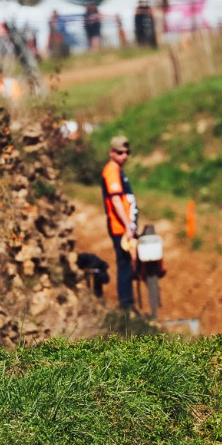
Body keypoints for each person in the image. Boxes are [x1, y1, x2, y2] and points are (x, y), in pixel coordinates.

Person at [99, 134, 138, 314]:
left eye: (127, 152)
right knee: (124, 264)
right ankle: (126, 305)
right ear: (112, 153)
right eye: (120, 152)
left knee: (129, 263)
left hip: (125, 226)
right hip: (119, 227)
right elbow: (115, 201)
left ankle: (129, 303)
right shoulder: (111, 172)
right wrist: (128, 225)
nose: (125, 156)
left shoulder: (118, 171)